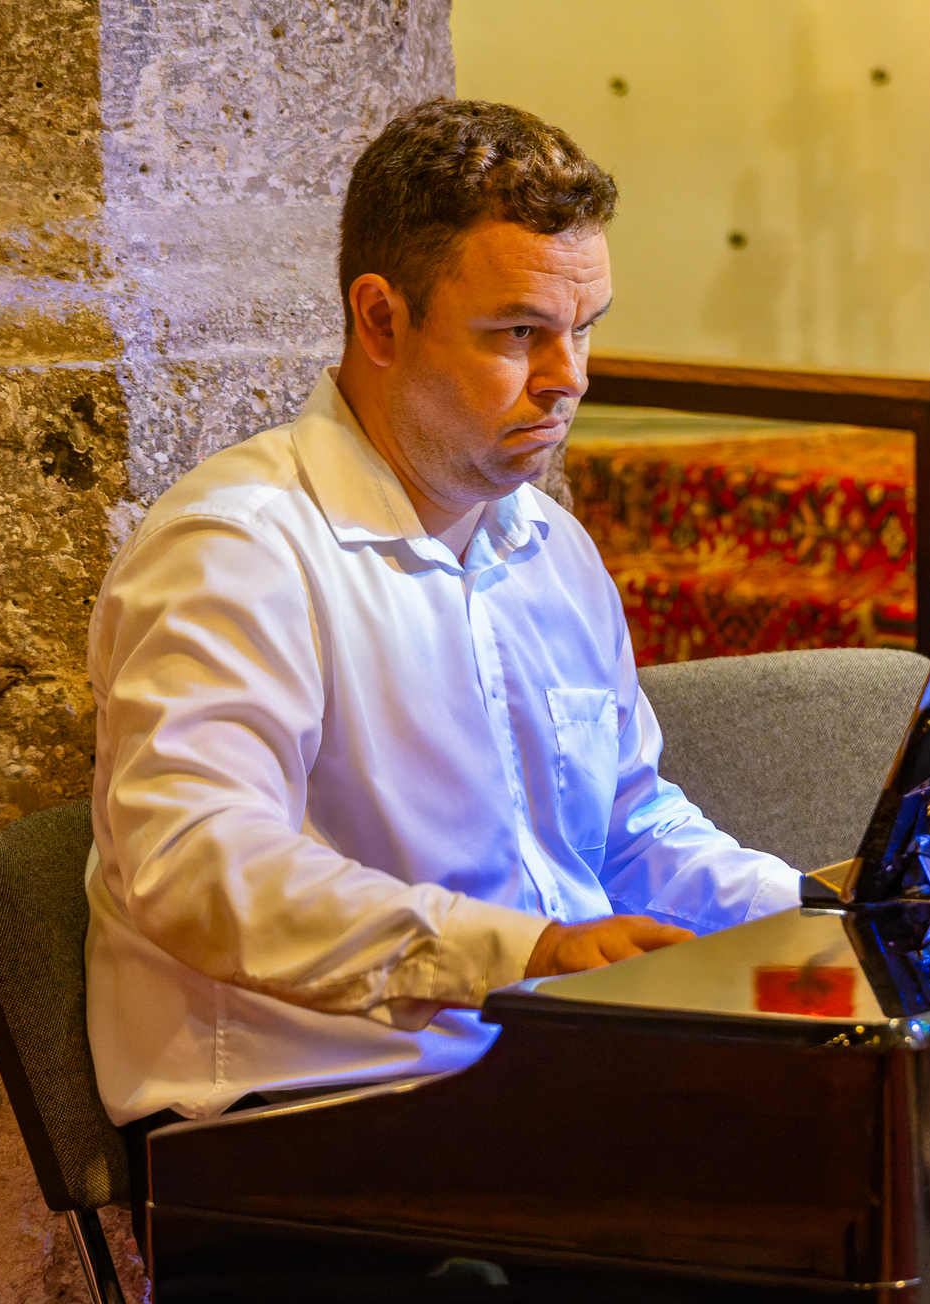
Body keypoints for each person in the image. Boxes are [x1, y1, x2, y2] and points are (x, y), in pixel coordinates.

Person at [83, 100, 803, 1128]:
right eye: (519, 334)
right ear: (381, 319)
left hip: (541, 1074)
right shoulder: (238, 547)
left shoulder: (550, 546)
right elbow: (200, 862)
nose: (568, 380)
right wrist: (524, 952)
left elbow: (628, 831)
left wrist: (822, 913)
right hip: (311, 1107)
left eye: (583, 329)